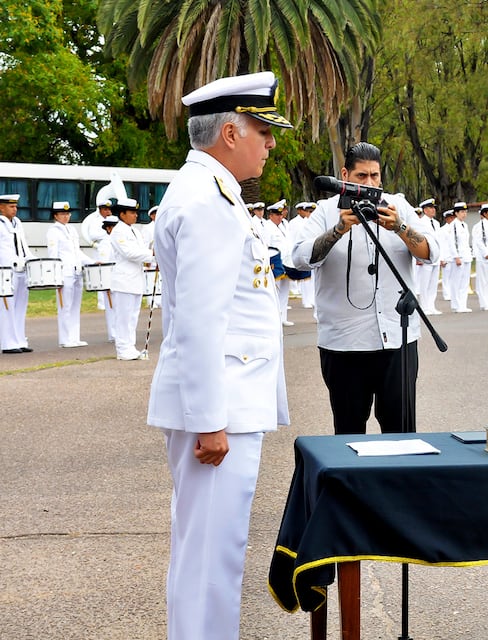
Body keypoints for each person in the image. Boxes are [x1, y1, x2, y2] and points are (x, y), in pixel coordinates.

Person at [146, 71, 291, 640]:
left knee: (206, 551)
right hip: (218, 407)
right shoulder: (206, 200)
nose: (270, 143)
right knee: (212, 555)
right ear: (230, 132)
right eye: (263, 130)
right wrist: (210, 421)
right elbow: (202, 322)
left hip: (225, 401)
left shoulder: (212, 193)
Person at [292, 142, 439, 435]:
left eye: (374, 176)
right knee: (348, 434)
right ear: (345, 174)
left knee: (402, 433)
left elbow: (431, 252)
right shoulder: (324, 211)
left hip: (397, 339)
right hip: (345, 343)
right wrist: (338, 229)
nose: (369, 183)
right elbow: (299, 258)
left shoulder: (397, 206)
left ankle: (396, 483)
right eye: (361, 176)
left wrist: (399, 227)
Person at [109, 197, 154, 360]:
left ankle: (130, 347)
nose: (135, 215)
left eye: (136, 212)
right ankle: (122, 348)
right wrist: (152, 255)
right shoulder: (119, 230)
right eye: (132, 212)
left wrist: (154, 258)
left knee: (133, 316)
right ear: (122, 214)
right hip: (123, 280)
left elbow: (141, 251)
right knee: (123, 317)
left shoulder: (134, 230)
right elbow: (129, 253)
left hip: (135, 279)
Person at [46, 201, 92, 347]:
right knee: (65, 306)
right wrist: (55, 276)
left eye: (67, 213)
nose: (66, 216)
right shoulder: (53, 231)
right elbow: (53, 255)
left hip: (76, 270)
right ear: (55, 215)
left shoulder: (71, 229)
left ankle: (74, 337)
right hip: (64, 272)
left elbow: (77, 252)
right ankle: (65, 339)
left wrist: (91, 261)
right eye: (62, 214)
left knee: (75, 306)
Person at [0, 194, 35, 354]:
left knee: (21, 306)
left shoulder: (17, 223)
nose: (15, 209)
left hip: (21, 269)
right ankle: (8, 343)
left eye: (15, 206)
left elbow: (22, 245)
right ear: (1, 207)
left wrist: (31, 259)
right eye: (11, 206)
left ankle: (20, 340)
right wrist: (14, 261)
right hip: (6, 271)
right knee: (7, 307)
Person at [266, 199, 293, 326]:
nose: (280, 217)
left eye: (281, 214)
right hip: (274, 260)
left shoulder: (285, 224)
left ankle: (283, 317)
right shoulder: (266, 226)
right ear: (270, 215)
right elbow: (265, 245)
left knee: (285, 289)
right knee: (274, 290)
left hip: (286, 259)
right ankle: (273, 317)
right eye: (277, 215)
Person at [414, 198, 441, 314]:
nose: (433, 210)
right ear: (424, 210)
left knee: (433, 283)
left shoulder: (436, 223)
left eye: (434, 208)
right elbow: (417, 240)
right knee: (424, 284)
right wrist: (418, 257)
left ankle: (431, 305)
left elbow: (439, 242)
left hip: (436, 257)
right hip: (425, 257)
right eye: (430, 208)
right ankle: (424, 306)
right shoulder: (420, 222)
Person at [96, 215, 119, 342]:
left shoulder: (117, 239)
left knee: (119, 307)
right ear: (109, 228)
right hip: (109, 278)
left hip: (119, 277)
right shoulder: (105, 242)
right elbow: (104, 262)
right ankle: (113, 334)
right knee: (112, 308)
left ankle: (118, 332)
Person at [143, 206, 162, 309]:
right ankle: (152, 301)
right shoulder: (147, 228)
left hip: (162, 259)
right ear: (152, 216)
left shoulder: (163, 226)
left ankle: (160, 301)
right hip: (151, 258)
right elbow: (145, 244)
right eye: (156, 214)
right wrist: (147, 259)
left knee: (161, 280)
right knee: (151, 280)